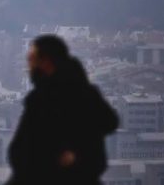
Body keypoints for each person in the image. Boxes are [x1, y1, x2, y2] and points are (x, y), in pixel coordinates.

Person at [7, 34, 118, 185]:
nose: (29, 67)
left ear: (46, 62)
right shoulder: (47, 95)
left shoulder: (50, 97)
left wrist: (75, 152)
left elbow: (108, 122)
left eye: (32, 60)